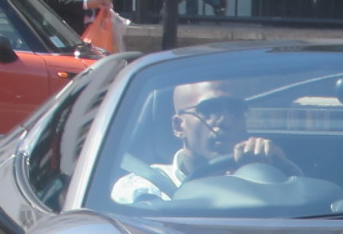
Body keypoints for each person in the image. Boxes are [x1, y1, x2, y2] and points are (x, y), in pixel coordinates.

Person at [111, 82, 300, 204]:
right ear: (178, 126)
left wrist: (278, 171)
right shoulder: (143, 188)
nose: (225, 120)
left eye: (235, 110)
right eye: (209, 109)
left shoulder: (270, 182)